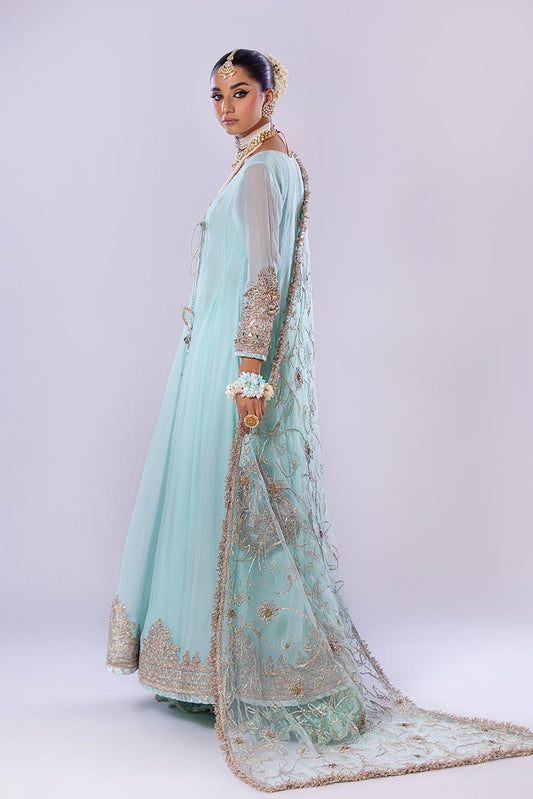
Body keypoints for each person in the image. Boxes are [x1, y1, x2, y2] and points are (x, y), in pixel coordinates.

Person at [105, 48, 533, 791]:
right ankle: (213, 670)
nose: (225, 107)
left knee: (234, 506)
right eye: (216, 95)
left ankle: (259, 673)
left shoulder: (265, 169)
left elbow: (263, 276)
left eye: (239, 92)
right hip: (215, 356)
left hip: (231, 362)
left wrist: (247, 372)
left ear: (269, 95)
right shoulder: (259, 165)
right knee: (218, 506)